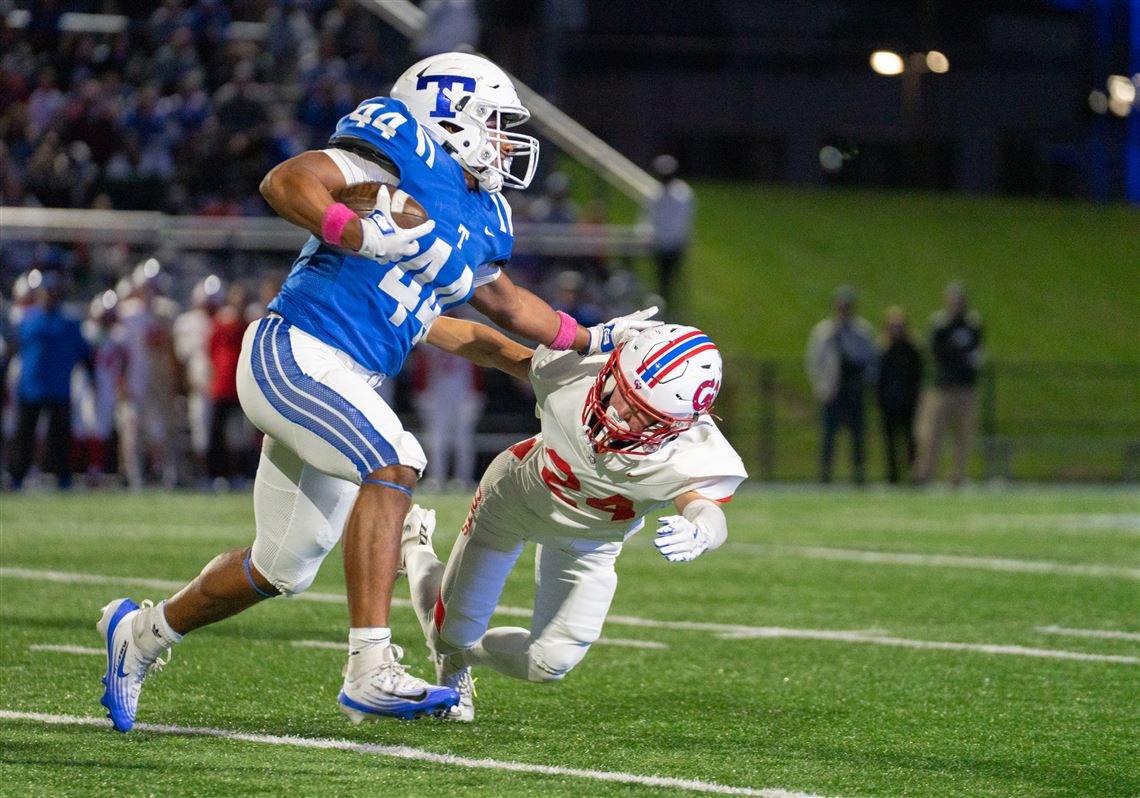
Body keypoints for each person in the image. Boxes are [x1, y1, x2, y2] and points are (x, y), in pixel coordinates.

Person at [96, 51, 658, 733]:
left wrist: (590, 347)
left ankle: (142, 634)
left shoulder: (482, 217)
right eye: (497, 123)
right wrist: (356, 230)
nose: (508, 142)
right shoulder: (400, 150)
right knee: (395, 459)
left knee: (283, 565)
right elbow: (289, 181)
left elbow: (501, 312)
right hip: (295, 349)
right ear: (452, 116)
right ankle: (370, 666)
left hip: (342, 378)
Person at [401, 323, 746, 722]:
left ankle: (458, 658)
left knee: (549, 663)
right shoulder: (574, 371)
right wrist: (417, 317)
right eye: (626, 395)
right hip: (515, 499)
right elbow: (496, 348)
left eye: (644, 416)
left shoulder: (691, 450)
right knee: (451, 629)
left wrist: (702, 530)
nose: (621, 415)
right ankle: (415, 548)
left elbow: (705, 506)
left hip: (590, 542)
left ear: (680, 424)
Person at [7, 271, 90, 490]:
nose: (50, 296)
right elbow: (13, 351)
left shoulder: (68, 324)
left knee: (60, 438)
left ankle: (63, 477)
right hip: (31, 387)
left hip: (59, 388)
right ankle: (17, 477)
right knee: (24, 435)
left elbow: (85, 354)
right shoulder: (26, 321)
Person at [913, 282, 985, 486]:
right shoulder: (940, 325)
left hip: (965, 388)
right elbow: (939, 354)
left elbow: (975, 355)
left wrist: (959, 356)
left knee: (964, 436)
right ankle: (925, 474)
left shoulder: (973, 325)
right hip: (943, 388)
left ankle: (957, 476)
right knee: (932, 434)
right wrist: (958, 355)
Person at [804, 286, 878, 484]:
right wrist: (821, 386)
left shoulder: (863, 333)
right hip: (833, 392)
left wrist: (865, 382)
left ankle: (859, 474)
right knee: (828, 437)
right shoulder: (824, 333)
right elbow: (814, 361)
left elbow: (872, 361)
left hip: (854, 391)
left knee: (858, 437)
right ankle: (825, 475)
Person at [876, 306, 923, 484]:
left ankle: (913, 474)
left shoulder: (912, 350)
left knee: (910, 441)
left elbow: (917, 376)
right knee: (889, 442)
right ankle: (892, 476)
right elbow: (878, 379)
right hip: (889, 402)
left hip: (908, 402)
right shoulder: (883, 351)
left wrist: (914, 397)